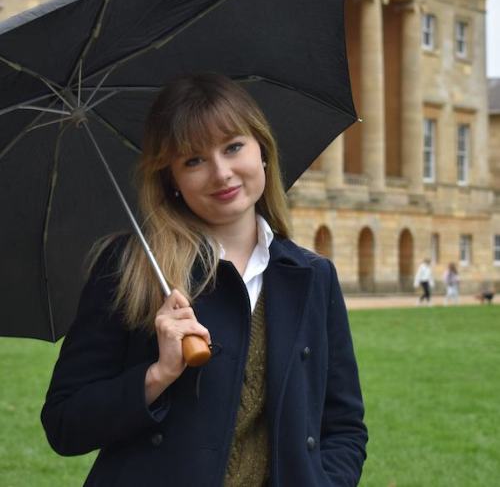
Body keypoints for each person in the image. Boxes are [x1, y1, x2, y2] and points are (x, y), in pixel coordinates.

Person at [41, 74, 367, 486]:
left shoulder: (311, 277)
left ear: (262, 150)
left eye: (233, 147)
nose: (221, 173)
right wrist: (157, 375)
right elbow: (65, 422)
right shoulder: (130, 269)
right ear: (171, 179)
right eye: (193, 160)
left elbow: (343, 427)